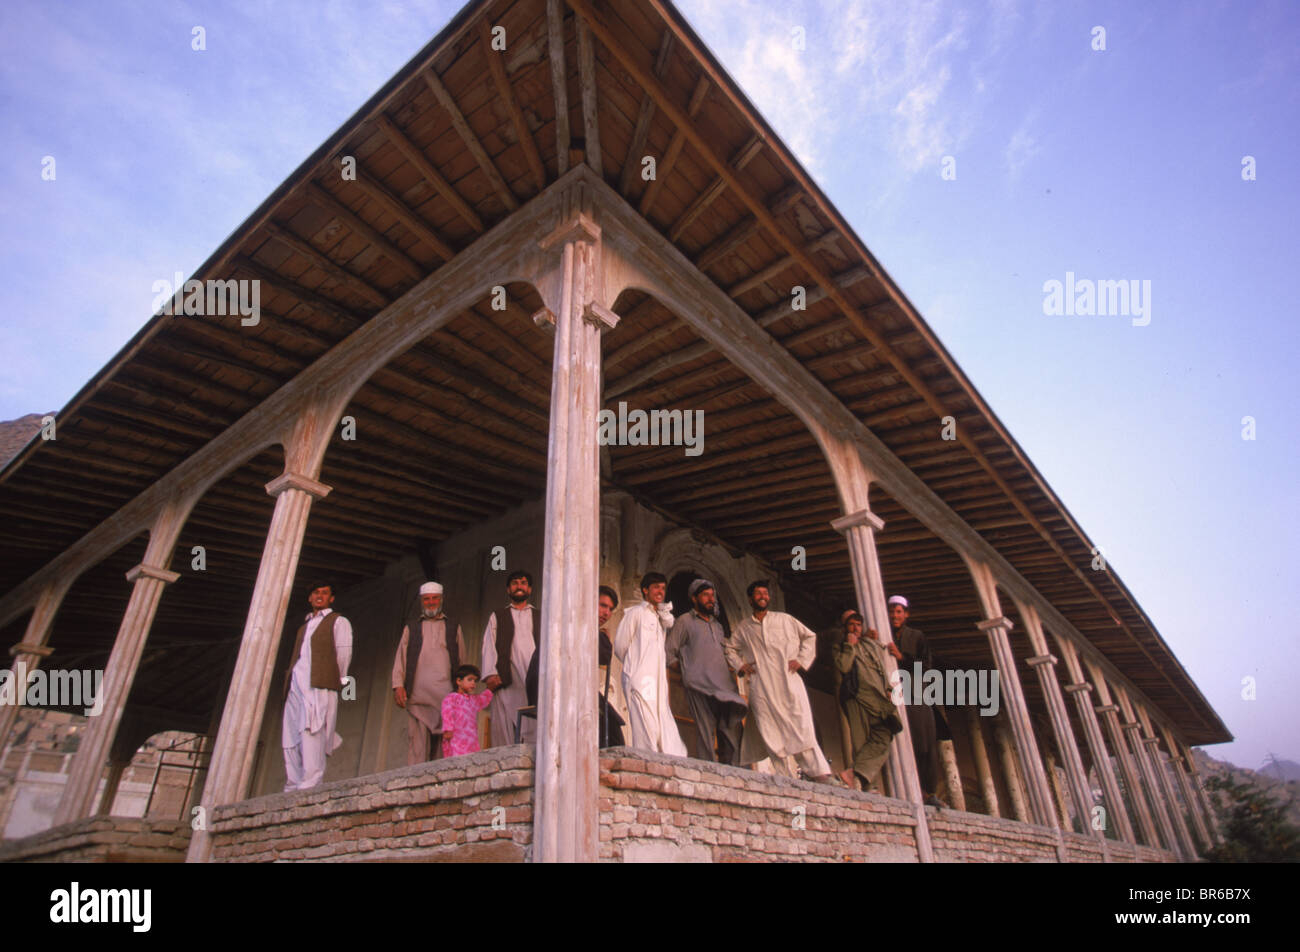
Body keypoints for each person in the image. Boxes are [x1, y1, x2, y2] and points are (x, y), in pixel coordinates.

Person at [724, 580, 835, 784]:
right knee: (769, 729)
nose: (763, 597)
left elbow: (810, 637)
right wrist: (741, 665)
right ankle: (784, 776)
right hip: (761, 686)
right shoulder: (744, 627)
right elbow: (730, 648)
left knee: (800, 726)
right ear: (750, 599)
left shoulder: (785, 620)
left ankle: (820, 774)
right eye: (758, 594)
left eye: (765, 593)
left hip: (788, 682)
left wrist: (801, 660)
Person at [524, 584, 626, 746]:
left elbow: (604, 656)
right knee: (609, 730)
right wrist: (601, 636)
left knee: (611, 725)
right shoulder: (574, 620)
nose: (606, 613)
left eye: (610, 609)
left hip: (570, 688)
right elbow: (603, 653)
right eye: (603, 605)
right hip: (551, 686)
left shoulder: (585, 626)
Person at [665, 579, 746, 764]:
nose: (711, 599)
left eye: (713, 595)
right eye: (705, 595)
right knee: (705, 735)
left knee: (733, 731)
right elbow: (669, 652)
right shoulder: (685, 621)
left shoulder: (717, 627)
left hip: (724, 688)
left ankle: (737, 775)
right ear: (694, 598)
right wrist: (688, 670)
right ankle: (708, 775)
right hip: (698, 686)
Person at [281, 582, 353, 791]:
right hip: (296, 684)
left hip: (320, 684)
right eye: (316, 593)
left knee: (312, 728)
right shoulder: (304, 625)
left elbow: (344, 654)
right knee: (291, 733)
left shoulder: (338, 621)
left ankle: (311, 781)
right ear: (310, 598)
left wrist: (336, 681)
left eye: (324, 593)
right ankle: (293, 781)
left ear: (331, 598)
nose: (319, 596)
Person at [391, 581, 466, 764]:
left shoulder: (453, 627)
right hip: (418, 698)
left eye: (434, 599)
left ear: (441, 600)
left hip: (445, 697)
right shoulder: (412, 628)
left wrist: (463, 688)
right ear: (421, 602)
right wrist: (398, 686)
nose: (431, 603)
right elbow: (400, 658)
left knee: (443, 749)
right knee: (418, 747)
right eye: (427, 600)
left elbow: (462, 659)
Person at [613, 572, 687, 756]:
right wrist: (635, 670)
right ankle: (648, 761)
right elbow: (620, 646)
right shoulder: (636, 613)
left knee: (661, 721)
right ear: (646, 590)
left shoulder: (659, 617)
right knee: (645, 724)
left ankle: (668, 760)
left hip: (657, 681)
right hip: (639, 679)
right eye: (656, 587)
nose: (660, 591)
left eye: (663, 588)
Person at [887, 594, 946, 807]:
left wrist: (901, 657)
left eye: (899, 612)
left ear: (906, 615)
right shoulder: (883, 633)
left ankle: (929, 792)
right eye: (892, 612)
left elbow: (926, 668)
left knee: (924, 741)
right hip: (892, 693)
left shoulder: (917, 636)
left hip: (915, 693)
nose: (895, 615)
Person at [833, 612, 901, 790]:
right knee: (861, 743)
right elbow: (844, 666)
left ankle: (853, 774)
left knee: (884, 735)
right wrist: (849, 646)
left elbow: (880, 667)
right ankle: (869, 787)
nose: (855, 628)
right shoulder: (841, 646)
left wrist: (888, 687)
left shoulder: (869, 644)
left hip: (878, 700)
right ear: (845, 628)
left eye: (858, 624)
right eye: (851, 625)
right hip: (857, 698)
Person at [481, 571, 538, 747]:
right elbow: (489, 644)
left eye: (523, 583)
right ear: (508, 589)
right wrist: (490, 673)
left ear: (529, 588)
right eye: (515, 583)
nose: (519, 586)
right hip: (506, 677)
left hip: (534, 678)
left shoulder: (541, 615)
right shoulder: (498, 615)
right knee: (504, 730)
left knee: (534, 725)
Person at [440, 664, 494, 758]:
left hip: (471, 740)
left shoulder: (473, 700)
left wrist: (491, 689)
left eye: (475, 681)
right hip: (456, 738)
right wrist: (448, 729)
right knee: (455, 762)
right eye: (470, 679)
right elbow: (446, 712)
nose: (473, 683)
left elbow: (483, 699)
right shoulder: (452, 698)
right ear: (459, 681)